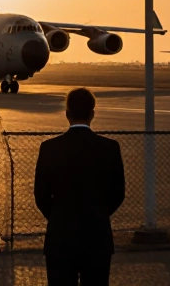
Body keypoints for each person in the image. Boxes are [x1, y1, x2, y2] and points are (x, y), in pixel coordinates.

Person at [34, 87, 126, 286]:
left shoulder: (49, 148)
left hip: (60, 237)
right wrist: (98, 213)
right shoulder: (110, 148)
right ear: (92, 114)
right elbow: (118, 194)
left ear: (67, 114)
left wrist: (59, 216)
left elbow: (40, 195)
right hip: (97, 237)